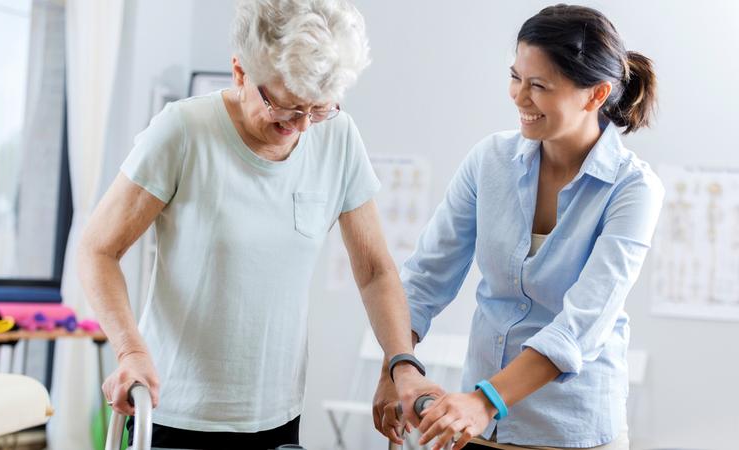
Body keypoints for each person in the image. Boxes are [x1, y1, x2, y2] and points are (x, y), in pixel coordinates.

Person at [78, 1, 440, 448]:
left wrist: (400, 363)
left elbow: (375, 270)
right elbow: (98, 249)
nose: (303, 127)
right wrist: (130, 351)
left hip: (278, 415)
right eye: (286, 107)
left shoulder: (338, 137)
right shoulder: (184, 130)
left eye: (318, 109)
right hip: (176, 409)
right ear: (240, 72)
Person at [373, 4, 664, 450]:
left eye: (539, 86)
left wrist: (486, 400)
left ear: (595, 94)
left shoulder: (632, 189)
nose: (519, 97)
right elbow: (425, 279)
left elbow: (580, 326)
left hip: (570, 432)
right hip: (477, 427)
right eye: (515, 78)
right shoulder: (489, 160)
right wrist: (399, 365)